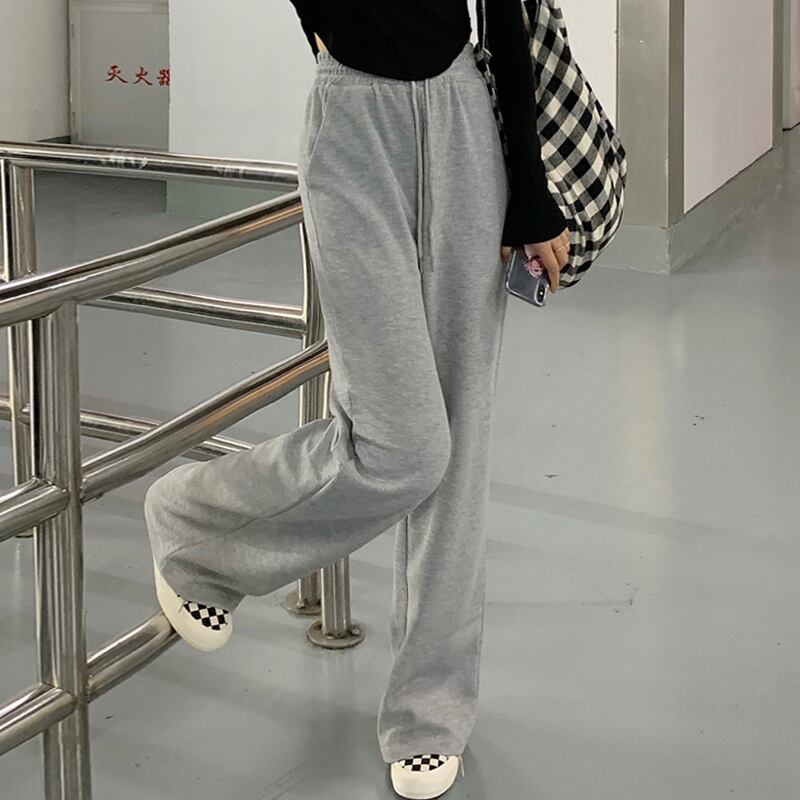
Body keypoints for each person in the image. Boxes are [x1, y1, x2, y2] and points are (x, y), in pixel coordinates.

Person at [143, 1, 570, 797]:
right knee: (404, 445)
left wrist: (531, 192)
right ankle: (194, 523)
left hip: (462, 116)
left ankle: (430, 714)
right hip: (351, 122)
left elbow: (505, 13)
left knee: (461, 444)